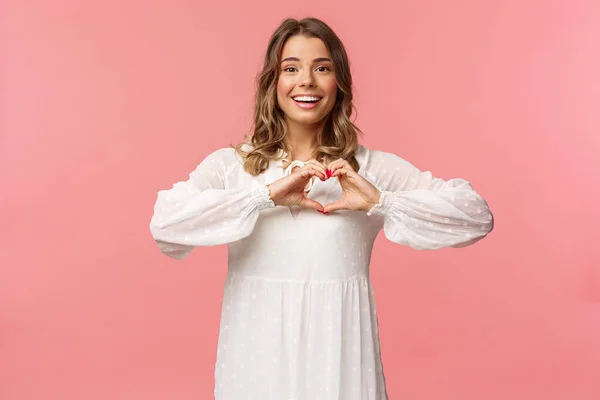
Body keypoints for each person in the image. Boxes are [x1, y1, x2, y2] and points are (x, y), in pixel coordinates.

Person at [149, 17, 494, 400]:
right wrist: (264, 196)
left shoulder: (369, 170)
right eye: (291, 68)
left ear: (339, 82)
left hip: (340, 366)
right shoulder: (233, 166)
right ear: (272, 82)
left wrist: (382, 202)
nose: (307, 81)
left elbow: (475, 216)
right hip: (256, 364)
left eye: (322, 68)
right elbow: (165, 224)